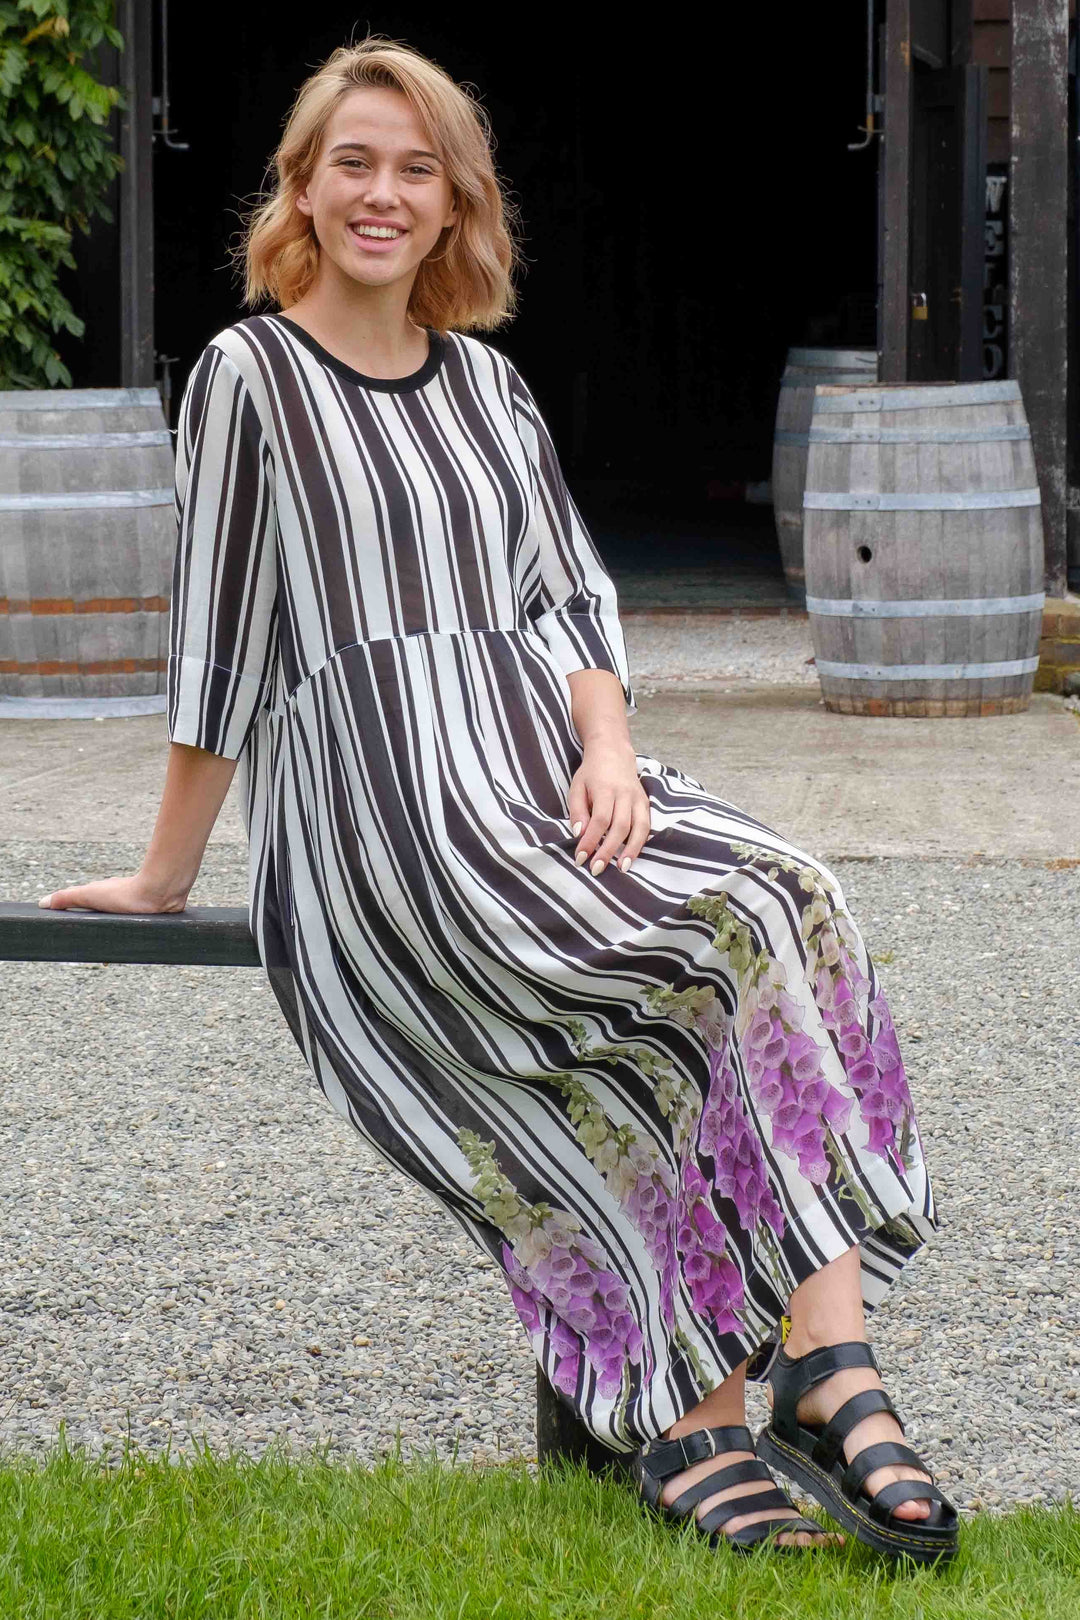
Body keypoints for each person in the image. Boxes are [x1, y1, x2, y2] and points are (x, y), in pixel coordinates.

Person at [40, 38, 956, 1563]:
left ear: (457, 200)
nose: (383, 194)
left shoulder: (488, 384)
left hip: (541, 771)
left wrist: (607, 745)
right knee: (669, 967)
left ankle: (821, 1359)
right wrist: (161, 873)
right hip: (386, 813)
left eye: (416, 168)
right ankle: (700, 1405)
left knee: (785, 894)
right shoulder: (247, 378)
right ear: (303, 188)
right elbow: (217, 650)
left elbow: (569, 598)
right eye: (354, 163)